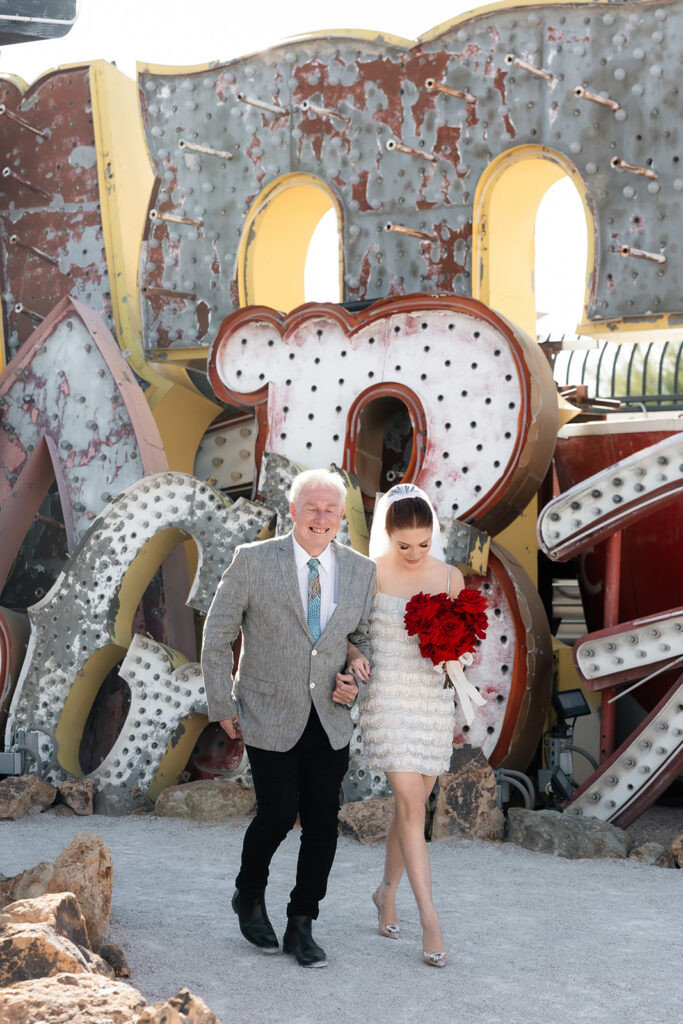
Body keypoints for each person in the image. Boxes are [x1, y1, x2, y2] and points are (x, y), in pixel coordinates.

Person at [201, 468, 376, 969]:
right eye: (312, 507)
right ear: (294, 511)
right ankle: (248, 893)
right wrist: (222, 706)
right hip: (267, 710)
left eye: (330, 509)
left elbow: (362, 637)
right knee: (277, 812)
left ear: (341, 514)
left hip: (331, 715)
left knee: (323, 823)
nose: (321, 517)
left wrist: (356, 678)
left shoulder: (361, 570)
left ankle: (302, 922)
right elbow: (217, 635)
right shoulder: (253, 560)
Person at [348, 483, 465, 969]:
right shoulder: (369, 573)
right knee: (414, 806)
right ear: (387, 535)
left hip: (431, 701)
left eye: (423, 544)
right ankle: (431, 922)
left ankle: (386, 892)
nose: (415, 554)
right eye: (404, 545)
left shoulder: (451, 577)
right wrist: (353, 655)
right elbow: (348, 633)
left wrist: (456, 653)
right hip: (387, 698)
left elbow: (465, 642)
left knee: (410, 805)